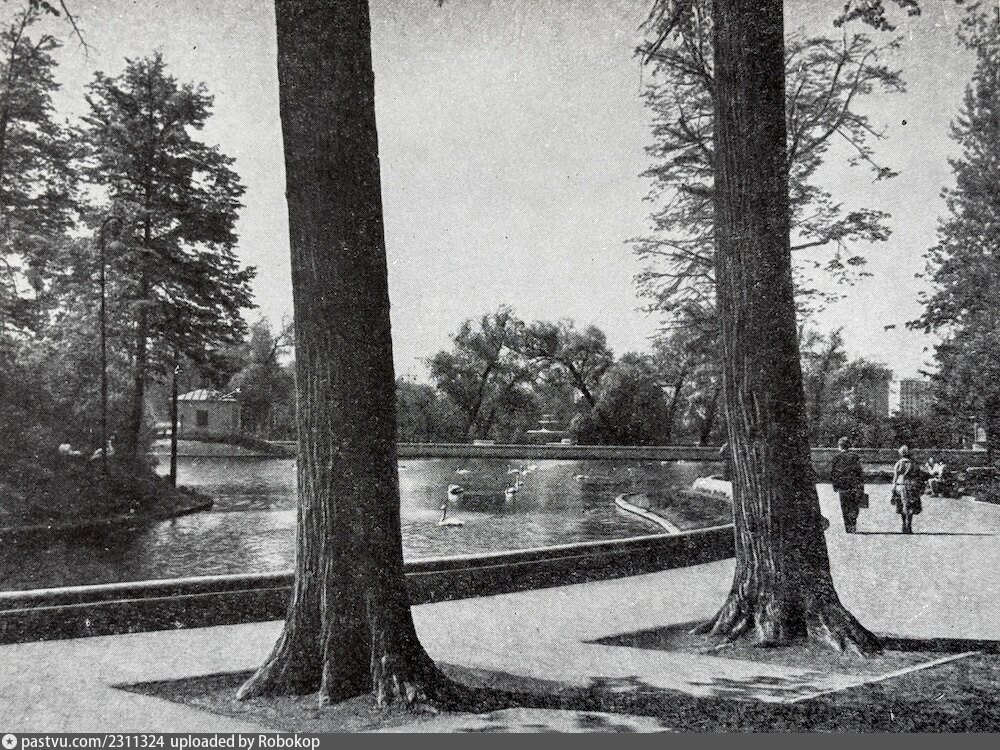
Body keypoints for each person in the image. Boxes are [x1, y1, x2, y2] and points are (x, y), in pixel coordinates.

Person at [830, 436, 864, 533]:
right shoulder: (855, 457)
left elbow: (833, 473)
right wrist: (861, 485)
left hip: (842, 485)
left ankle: (848, 526)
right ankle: (853, 523)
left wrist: (835, 485)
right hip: (853, 484)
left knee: (844, 506)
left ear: (839, 446)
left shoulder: (836, 458)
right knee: (853, 505)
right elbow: (859, 472)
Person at [892, 445, 923, 534]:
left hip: (900, 485)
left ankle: (903, 524)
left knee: (901, 506)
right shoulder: (914, 464)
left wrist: (893, 488)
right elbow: (919, 476)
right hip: (912, 486)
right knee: (910, 506)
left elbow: (895, 477)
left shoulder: (898, 463)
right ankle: (908, 524)